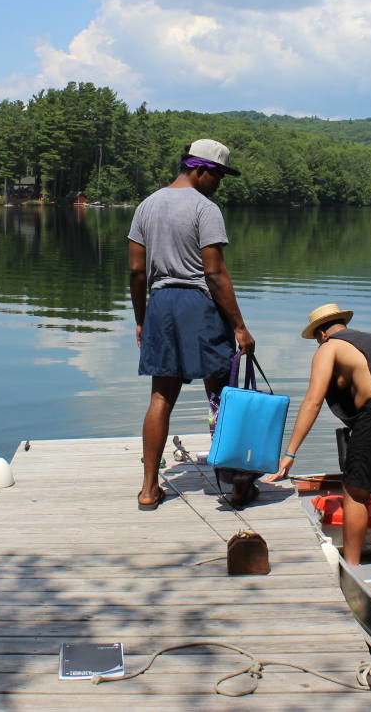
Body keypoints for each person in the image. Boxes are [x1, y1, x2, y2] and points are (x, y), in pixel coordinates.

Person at [129, 139, 256, 511]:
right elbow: (214, 272)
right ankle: (236, 487)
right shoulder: (206, 208)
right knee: (222, 397)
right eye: (217, 176)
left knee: (160, 398)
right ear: (200, 169)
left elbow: (137, 271)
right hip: (200, 306)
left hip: (161, 305)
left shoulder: (146, 206)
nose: (219, 184)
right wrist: (239, 326)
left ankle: (149, 489)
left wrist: (141, 319)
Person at [270, 304, 371, 564]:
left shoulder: (329, 347)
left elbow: (313, 401)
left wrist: (290, 452)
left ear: (321, 334)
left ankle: (353, 567)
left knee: (356, 490)